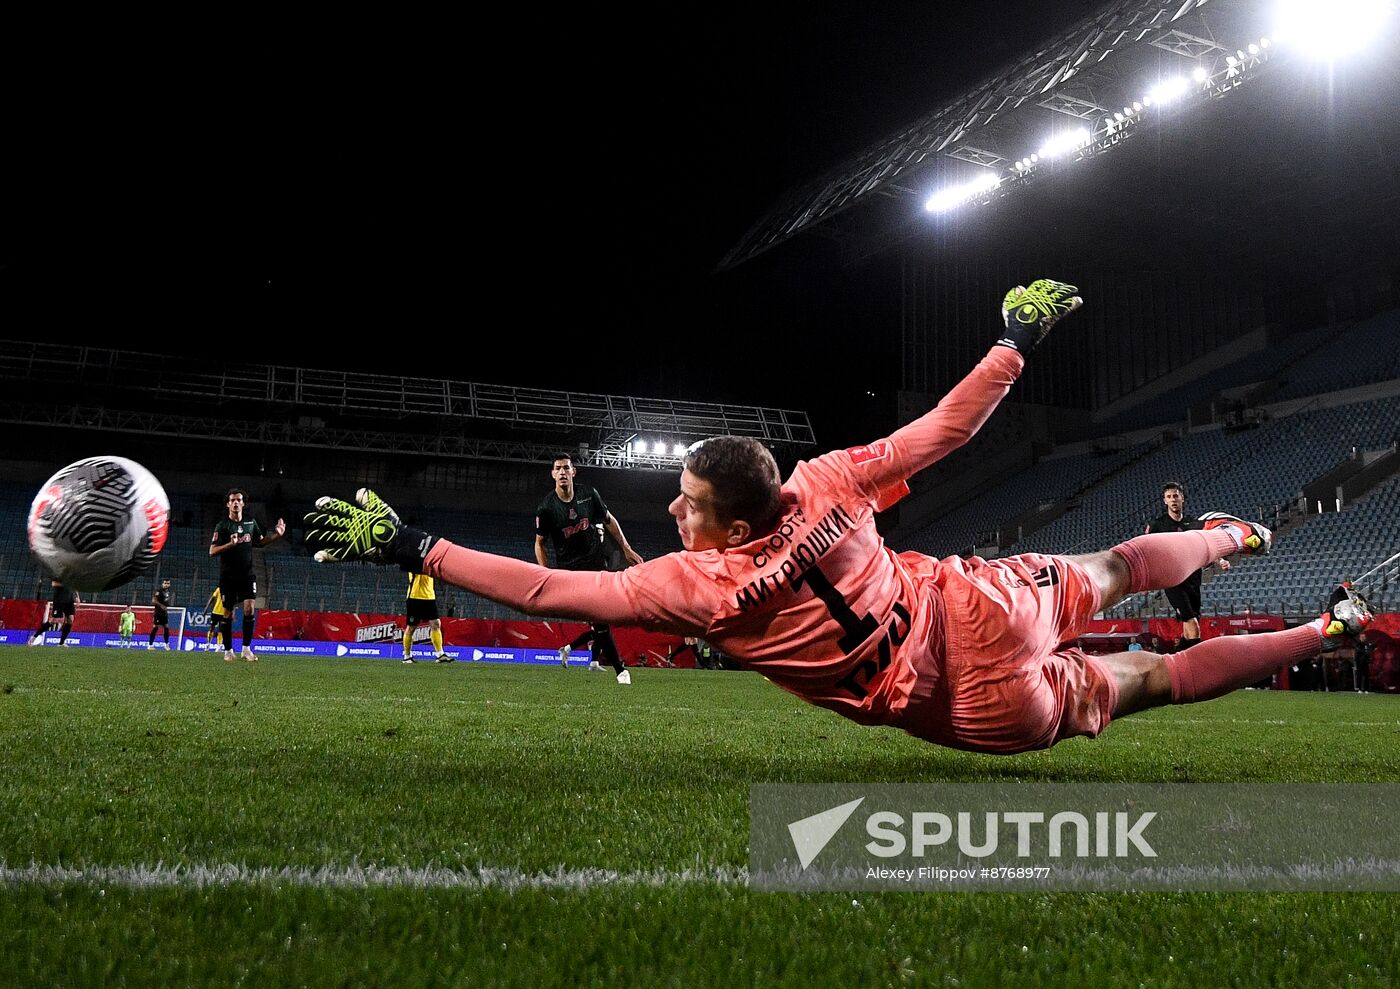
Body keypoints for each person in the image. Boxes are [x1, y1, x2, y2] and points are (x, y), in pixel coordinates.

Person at [305, 280, 1375, 755]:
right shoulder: (825, 481)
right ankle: (1239, 535)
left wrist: (413, 544)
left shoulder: (694, 587)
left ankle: (1322, 628)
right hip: (976, 602)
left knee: (1148, 680)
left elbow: (542, 589)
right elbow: (940, 435)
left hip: (970, 705)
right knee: (1112, 566)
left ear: (724, 522)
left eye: (685, 500)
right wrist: (1013, 342)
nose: (670, 509)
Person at [533, 453, 644, 684]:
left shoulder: (588, 494)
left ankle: (617, 669)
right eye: (558, 469)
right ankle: (615, 668)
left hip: (595, 563)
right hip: (570, 571)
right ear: (553, 474)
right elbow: (539, 543)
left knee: (600, 617)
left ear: (573, 472)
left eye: (566, 468)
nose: (562, 472)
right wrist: (545, 573)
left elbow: (609, 520)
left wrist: (626, 548)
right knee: (598, 620)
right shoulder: (546, 508)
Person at [1144, 482, 1231, 651]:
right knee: (1192, 623)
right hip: (1172, 580)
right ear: (1164, 501)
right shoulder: (1158, 525)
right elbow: (1147, 551)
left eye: (1175, 496)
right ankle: (1195, 665)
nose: (1173, 500)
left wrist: (1220, 560)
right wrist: (1148, 580)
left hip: (1193, 578)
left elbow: (1208, 544)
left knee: (1189, 623)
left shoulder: (1194, 523)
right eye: (1169, 497)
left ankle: (1180, 656)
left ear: (1182, 498)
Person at [209, 488, 285, 662]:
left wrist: (276, 536)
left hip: (247, 574)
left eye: (239, 500)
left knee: (250, 608)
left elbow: (260, 541)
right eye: (232, 500)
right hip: (228, 576)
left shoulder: (251, 523)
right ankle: (228, 650)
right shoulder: (222, 526)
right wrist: (230, 544)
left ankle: (246, 649)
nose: (236, 503)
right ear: (228, 504)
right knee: (228, 612)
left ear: (243, 503)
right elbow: (212, 551)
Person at [403, 571, 453, 664]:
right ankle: (407, 656)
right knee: (411, 627)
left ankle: (440, 654)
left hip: (429, 596)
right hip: (415, 597)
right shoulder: (413, 560)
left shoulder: (428, 561)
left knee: (436, 624)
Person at [31, 579, 78, 646]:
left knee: (71, 619)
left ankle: (61, 643)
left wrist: (77, 596)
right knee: (53, 620)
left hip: (69, 599)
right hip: (59, 599)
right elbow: (54, 583)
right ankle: (34, 636)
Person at [203, 586, 230, 654]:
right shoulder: (219, 589)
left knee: (221, 630)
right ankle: (208, 644)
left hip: (224, 613)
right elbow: (212, 598)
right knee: (212, 628)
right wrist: (206, 607)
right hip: (215, 612)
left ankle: (218, 646)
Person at [148, 578, 173, 650]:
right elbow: (153, 600)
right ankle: (150, 645)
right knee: (155, 627)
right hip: (158, 612)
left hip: (164, 612)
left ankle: (166, 645)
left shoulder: (168, 592)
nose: (166, 585)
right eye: (165, 583)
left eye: (168, 583)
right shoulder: (158, 591)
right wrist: (161, 605)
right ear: (162, 584)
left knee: (166, 627)